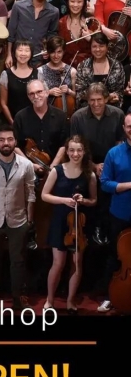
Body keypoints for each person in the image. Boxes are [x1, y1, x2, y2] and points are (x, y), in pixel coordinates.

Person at [0, 125, 36, 309]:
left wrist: (29, 220)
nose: (6, 143)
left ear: (15, 142)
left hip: (18, 220)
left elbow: (31, 194)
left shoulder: (26, 165)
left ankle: (19, 297)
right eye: (2, 140)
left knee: (18, 261)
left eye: (10, 139)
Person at [41, 136, 97, 311]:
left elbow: (94, 200)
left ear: (84, 152)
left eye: (79, 150)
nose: (75, 154)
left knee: (77, 263)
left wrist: (84, 200)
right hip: (60, 222)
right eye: (72, 150)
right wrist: (64, 200)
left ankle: (70, 301)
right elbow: (44, 195)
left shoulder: (90, 174)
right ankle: (50, 300)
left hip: (79, 224)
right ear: (66, 151)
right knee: (58, 263)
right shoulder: (57, 171)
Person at [71, 83, 124, 245]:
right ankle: (90, 230)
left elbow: (119, 143)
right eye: (92, 100)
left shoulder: (118, 114)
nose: (95, 104)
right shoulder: (78, 117)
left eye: (99, 99)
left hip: (111, 163)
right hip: (85, 162)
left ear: (106, 99)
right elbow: (75, 148)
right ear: (87, 100)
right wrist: (93, 166)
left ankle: (108, 229)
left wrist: (108, 167)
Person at [98, 112, 131, 312]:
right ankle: (110, 295)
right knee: (114, 256)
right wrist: (128, 185)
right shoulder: (114, 153)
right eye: (129, 126)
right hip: (120, 213)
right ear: (124, 129)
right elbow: (105, 183)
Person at [13, 79, 68, 177]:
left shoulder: (61, 116)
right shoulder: (20, 117)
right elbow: (15, 146)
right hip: (27, 168)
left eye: (39, 92)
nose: (36, 96)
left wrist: (53, 167)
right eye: (32, 94)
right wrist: (30, 165)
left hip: (55, 167)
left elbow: (63, 144)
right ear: (28, 96)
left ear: (47, 93)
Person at [6, 0, 59, 66]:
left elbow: (52, 34)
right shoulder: (18, 6)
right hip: (18, 57)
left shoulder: (54, 12)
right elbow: (11, 33)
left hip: (38, 58)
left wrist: (48, 49)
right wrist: (9, 55)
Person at [75, 32, 125, 108]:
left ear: (107, 47)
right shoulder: (82, 66)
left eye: (101, 46)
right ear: (90, 48)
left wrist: (115, 97)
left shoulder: (117, 65)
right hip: (88, 108)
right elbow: (80, 93)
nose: (98, 49)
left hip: (111, 108)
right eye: (94, 46)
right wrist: (105, 97)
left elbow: (120, 91)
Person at [37, 36, 77, 117]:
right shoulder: (40, 71)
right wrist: (49, 92)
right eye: (52, 52)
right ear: (48, 52)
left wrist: (68, 91)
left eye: (59, 52)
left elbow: (77, 96)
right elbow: (36, 96)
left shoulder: (72, 71)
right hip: (47, 114)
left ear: (63, 52)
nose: (56, 56)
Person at [0, 39, 38, 125]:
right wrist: (13, 123)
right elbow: (3, 104)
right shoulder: (6, 74)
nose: (23, 53)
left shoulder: (38, 73)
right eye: (20, 50)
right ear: (14, 52)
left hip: (33, 120)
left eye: (27, 50)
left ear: (31, 53)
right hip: (11, 120)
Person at [56, 0, 93, 68]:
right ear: (68, 2)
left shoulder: (93, 22)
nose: (75, 5)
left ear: (84, 3)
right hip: (65, 69)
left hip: (88, 68)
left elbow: (101, 48)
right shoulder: (61, 23)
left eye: (79, 2)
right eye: (72, 1)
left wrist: (91, 39)